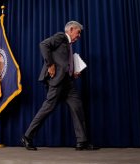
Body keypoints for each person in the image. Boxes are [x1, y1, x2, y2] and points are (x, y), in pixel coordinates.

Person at [21, 21, 98, 151]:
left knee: (77, 107)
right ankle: (27, 137)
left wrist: (73, 73)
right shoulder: (61, 37)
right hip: (57, 81)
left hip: (68, 82)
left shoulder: (69, 45)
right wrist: (50, 64)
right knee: (47, 109)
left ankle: (82, 141)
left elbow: (63, 62)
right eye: (78, 32)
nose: (79, 36)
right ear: (71, 29)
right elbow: (43, 45)